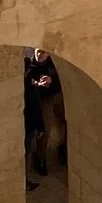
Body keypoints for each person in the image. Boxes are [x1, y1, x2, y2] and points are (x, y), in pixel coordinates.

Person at [24, 50, 65, 182]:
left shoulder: (54, 63)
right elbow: (28, 82)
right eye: (38, 52)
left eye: (43, 52)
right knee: (45, 129)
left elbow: (63, 76)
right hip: (44, 99)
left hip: (57, 95)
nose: (40, 55)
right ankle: (41, 159)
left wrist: (51, 79)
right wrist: (39, 84)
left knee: (69, 120)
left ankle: (64, 150)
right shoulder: (31, 66)